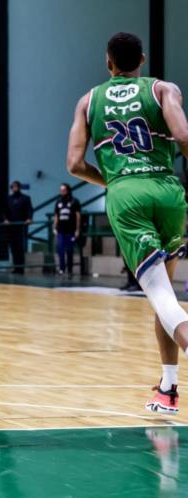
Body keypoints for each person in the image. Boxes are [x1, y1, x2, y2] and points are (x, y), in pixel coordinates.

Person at [66, 31, 188, 414]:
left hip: (126, 195)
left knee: (162, 297)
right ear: (143, 59)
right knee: (163, 297)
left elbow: (74, 164)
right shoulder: (163, 90)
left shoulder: (89, 101)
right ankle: (168, 389)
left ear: (108, 61)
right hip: (168, 190)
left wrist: (117, 180)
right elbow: (183, 135)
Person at [4, 180, 33, 274]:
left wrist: (29, 218)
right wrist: (5, 219)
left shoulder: (25, 198)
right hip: (11, 226)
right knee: (13, 247)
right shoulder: (8, 198)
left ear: (19, 187)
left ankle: (21, 267)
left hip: (21, 225)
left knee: (20, 247)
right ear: (11, 188)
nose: (15, 188)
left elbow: (30, 209)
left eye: (16, 186)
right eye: (13, 186)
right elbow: (4, 211)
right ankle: (16, 267)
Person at [53, 183, 81, 275]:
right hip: (61, 230)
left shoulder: (74, 201)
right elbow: (56, 215)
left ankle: (69, 269)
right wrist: (54, 227)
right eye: (61, 190)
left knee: (69, 250)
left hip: (71, 230)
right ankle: (61, 269)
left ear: (68, 190)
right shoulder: (58, 202)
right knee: (60, 249)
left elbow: (78, 216)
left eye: (63, 190)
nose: (62, 192)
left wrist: (77, 229)